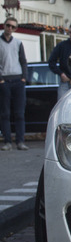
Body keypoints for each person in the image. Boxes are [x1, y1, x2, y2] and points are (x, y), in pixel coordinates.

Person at [0, 17, 29, 151]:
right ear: (4, 26)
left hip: (18, 81)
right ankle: (7, 142)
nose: (10, 28)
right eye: (8, 25)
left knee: (19, 114)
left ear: (15, 29)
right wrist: (1, 80)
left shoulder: (18, 43)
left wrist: (24, 78)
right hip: (4, 81)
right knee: (5, 114)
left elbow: (23, 61)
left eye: (13, 27)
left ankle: (20, 142)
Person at [48, 22, 71, 100]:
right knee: (61, 105)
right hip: (64, 82)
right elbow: (51, 62)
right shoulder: (62, 46)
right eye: (70, 32)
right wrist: (61, 73)